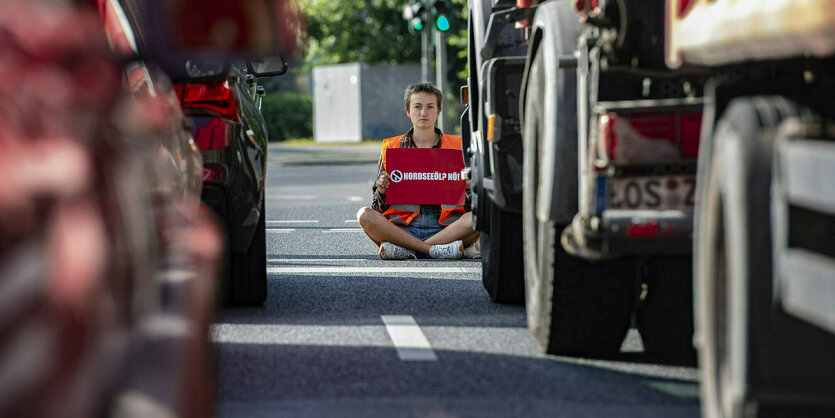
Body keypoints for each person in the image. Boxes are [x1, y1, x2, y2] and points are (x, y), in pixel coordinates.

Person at [357, 82, 480, 260]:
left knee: (478, 216)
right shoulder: (392, 147)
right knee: (365, 215)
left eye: (430, 107)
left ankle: (409, 251)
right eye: (418, 107)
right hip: (403, 229)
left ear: (438, 112)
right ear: (408, 111)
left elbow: (470, 206)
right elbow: (378, 209)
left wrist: (468, 188)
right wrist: (382, 190)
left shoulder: (457, 147)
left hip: (447, 228)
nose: (424, 113)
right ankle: (432, 250)